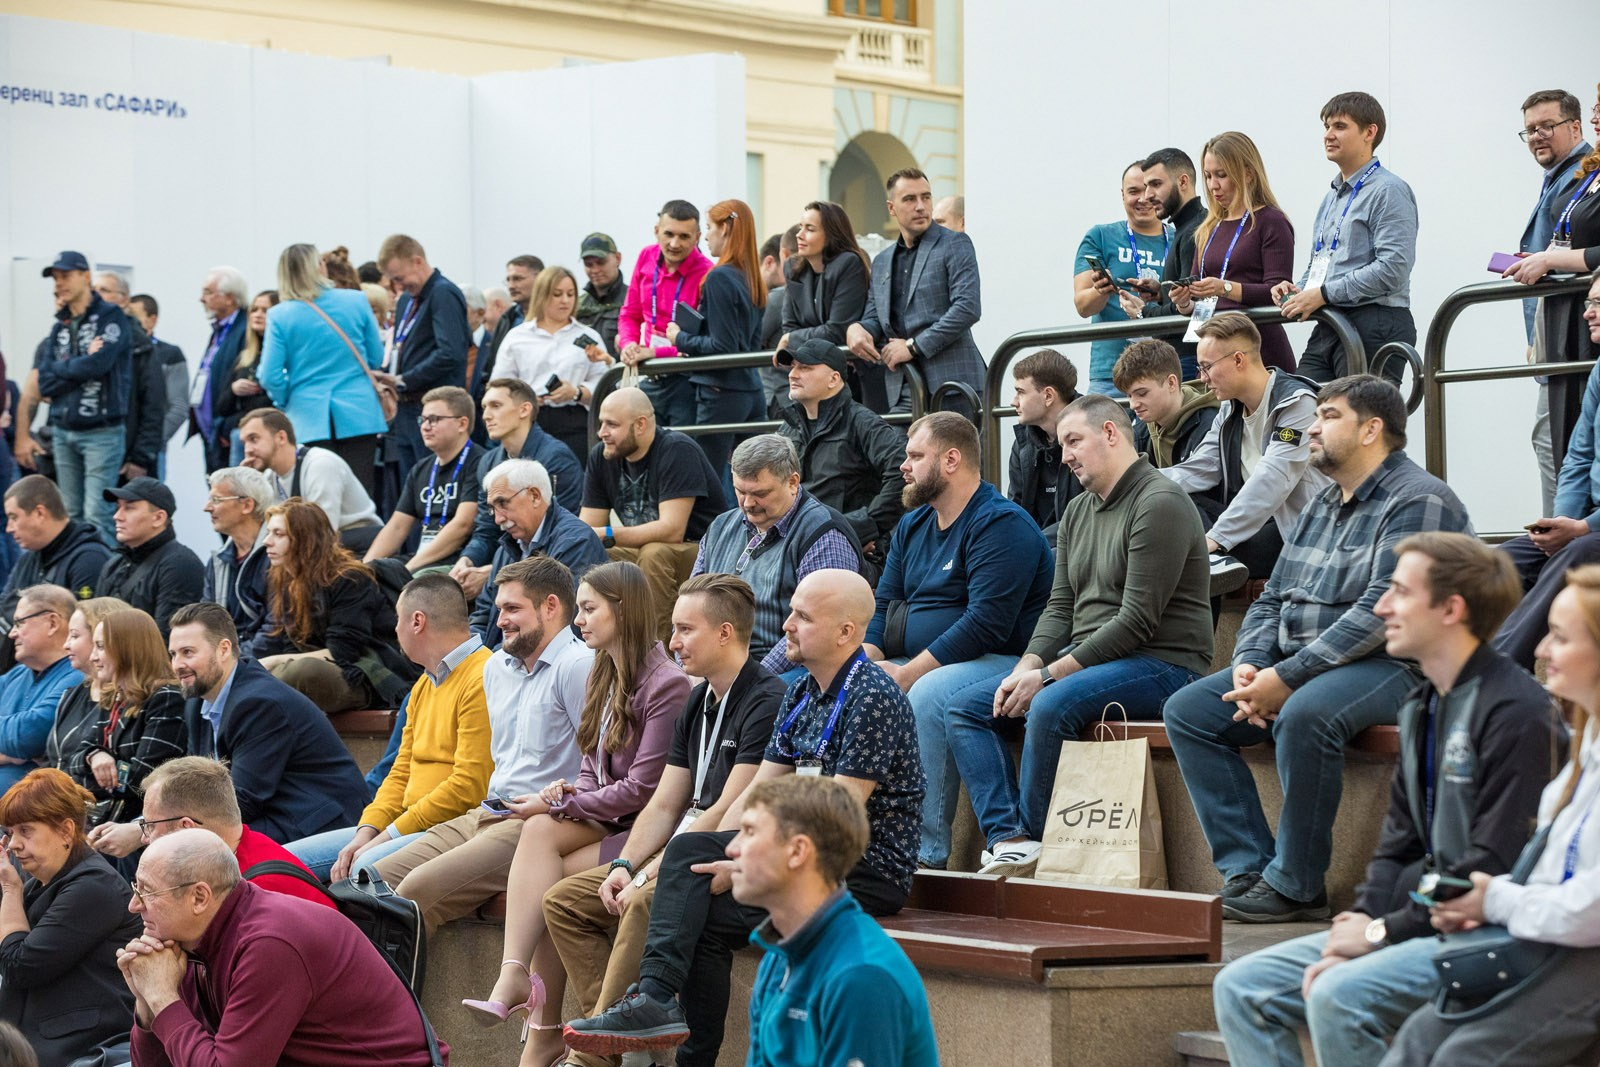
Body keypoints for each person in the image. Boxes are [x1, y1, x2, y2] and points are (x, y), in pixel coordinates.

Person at [1212, 532, 1559, 1067]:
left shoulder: (1518, 711)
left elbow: (1491, 863)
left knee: (1339, 997)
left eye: (1399, 591)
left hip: (1490, 933)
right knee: (1240, 987)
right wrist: (1357, 928)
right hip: (1423, 923)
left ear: (1451, 608)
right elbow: (1397, 845)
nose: (1380, 605)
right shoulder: (1423, 704)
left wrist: (1378, 933)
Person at [562, 569, 923, 1065]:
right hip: (798, 854)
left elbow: (841, 819)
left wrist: (745, 866)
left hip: (863, 865)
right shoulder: (799, 695)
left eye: (803, 616)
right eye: (791, 611)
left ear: (847, 631)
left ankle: (654, 1001)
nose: (787, 625)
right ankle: (669, 1018)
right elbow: (756, 794)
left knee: (691, 864)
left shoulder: (872, 696)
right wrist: (738, 850)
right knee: (700, 902)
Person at [1165, 375, 1472, 921]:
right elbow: (1272, 596)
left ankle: (1297, 886)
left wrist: (1287, 679)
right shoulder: (1323, 501)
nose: (1311, 426)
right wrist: (1249, 664)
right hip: (1294, 659)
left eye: (1328, 416)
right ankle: (1248, 869)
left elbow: (1382, 611)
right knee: (1188, 712)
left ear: (1372, 429)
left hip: (1393, 663)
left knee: (1304, 714)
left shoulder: (1421, 500)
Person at [941, 395, 1213, 873]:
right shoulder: (1077, 512)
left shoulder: (1161, 501)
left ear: (1111, 433)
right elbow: (1060, 606)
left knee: (1048, 703)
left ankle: (1041, 842)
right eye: (1062, 443)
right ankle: (1012, 838)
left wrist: (1047, 678)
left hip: (1166, 664)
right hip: (1095, 661)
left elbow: (1137, 622)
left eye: (1073, 441)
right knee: (965, 707)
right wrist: (1026, 667)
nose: (1064, 455)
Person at [543, 574, 783, 1067]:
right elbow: (666, 804)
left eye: (684, 630)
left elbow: (724, 812)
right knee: (563, 902)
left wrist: (649, 873)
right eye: (673, 629)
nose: (672, 642)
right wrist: (625, 863)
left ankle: (589, 1059)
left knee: (643, 904)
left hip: (716, 850)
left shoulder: (766, 698)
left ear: (725, 632)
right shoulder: (698, 700)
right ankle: (614, 1039)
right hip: (676, 847)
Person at [463, 562, 688, 1067]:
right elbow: (591, 762)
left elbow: (642, 790)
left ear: (623, 610)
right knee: (542, 835)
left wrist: (564, 801)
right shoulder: (604, 668)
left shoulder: (667, 684)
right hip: (608, 817)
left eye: (588, 609)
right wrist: (572, 793)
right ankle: (534, 993)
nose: (578, 620)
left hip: (642, 832)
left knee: (552, 875)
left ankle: (565, 1025)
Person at [1378, 564, 1600, 1067]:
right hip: (1537, 938)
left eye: (1560, 638)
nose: (1540, 651)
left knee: (1463, 1056)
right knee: (1416, 1040)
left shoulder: (1522, 718)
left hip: (1579, 955)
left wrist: (1493, 901)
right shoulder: (1584, 752)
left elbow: (1590, 909)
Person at [865, 411, 1052, 869]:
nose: (903, 467)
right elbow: (884, 602)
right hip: (921, 656)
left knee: (927, 691)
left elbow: (986, 623)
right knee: (847, 685)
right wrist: (866, 662)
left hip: (1005, 657)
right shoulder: (913, 524)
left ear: (951, 459)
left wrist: (907, 673)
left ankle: (922, 854)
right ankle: (855, 843)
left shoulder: (1000, 523)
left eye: (914, 456)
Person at [373, 556, 594, 933]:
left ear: (551, 607)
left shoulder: (578, 666)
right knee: (370, 878)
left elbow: (598, 765)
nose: (501, 620)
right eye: (499, 609)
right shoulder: (496, 668)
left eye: (512, 608)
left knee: (411, 892)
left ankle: (390, 994)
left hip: (539, 822)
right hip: (485, 813)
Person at [119, 829, 441, 1066]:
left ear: (199, 898)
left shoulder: (269, 943)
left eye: (146, 892)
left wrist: (164, 999)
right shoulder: (191, 938)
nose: (134, 905)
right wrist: (147, 1008)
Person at [285, 574, 491, 881]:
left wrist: (387, 836)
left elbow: (468, 786)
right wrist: (366, 831)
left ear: (417, 621)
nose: (395, 629)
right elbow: (399, 771)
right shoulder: (423, 684)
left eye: (398, 619)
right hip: (407, 823)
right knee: (280, 861)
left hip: (452, 827)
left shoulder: (483, 676)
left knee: (362, 869)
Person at [736, 775, 938, 1067]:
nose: (732, 848)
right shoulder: (779, 955)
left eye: (749, 832)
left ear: (797, 851)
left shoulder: (861, 975)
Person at [168, 602, 368, 844]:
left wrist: (165, 828)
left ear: (223, 650)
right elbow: (194, 783)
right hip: (272, 815)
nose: (178, 664)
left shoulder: (259, 703)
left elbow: (239, 803)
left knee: (187, 848)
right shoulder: (197, 702)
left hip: (319, 827)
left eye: (188, 652)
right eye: (173, 654)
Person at [1161, 313, 1330, 579]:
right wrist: (1138, 480)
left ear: (1238, 359)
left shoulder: (1297, 404)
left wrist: (1215, 539)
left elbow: (1272, 479)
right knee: (1177, 500)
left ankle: (1213, 566)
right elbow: (1201, 467)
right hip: (1250, 525)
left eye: (1206, 367)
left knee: (1193, 562)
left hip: (1294, 534)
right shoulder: (1230, 407)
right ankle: (1214, 567)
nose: (1202, 378)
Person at [1272, 92, 1419, 382]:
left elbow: (1393, 269)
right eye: (1326, 126)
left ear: (1369, 132)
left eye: (1339, 126)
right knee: (1295, 415)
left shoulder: (1390, 190)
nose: (1328, 135)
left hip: (1375, 322)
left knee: (1354, 421)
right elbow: (1322, 264)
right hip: (1332, 322)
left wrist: (1323, 294)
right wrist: (1298, 290)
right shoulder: (1331, 198)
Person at [1493, 274, 1600, 669]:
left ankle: (1494, 677)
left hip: (1594, 534)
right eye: (1589, 301)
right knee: (1499, 563)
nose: (1587, 312)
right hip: (1587, 524)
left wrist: (1584, 529)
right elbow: (1578, 455)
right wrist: (1565, 520)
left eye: (1598, 304)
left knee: (1579, 551)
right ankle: (1435, 670)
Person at [0, 768, 140, 1066]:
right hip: (35, 1036)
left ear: (65, 831)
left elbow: (19, 966)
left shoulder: (94, 886)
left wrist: (10, 890)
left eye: (26, 831)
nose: (13, 844)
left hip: (78, 1047)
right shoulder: (43, 879)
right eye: (10, 833)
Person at [692, 435, 863, 678]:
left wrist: (751, 681)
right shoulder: (720, 527)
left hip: (790, 669)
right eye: (740, 491)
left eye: (760, 493)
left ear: (793, 482)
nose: (748, 503)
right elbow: (691, 605)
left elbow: (816, 628)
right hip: (717, 664)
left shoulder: (823, 534)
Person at [1146, 132, 1301, 373]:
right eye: (1208, 176)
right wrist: (1185, 302)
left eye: (1221, 175)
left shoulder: (1271, 221)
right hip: (1214, 353)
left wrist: (1224, 288)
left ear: (1248, 174)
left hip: (1258, 351)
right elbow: (1199, 292)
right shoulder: (1209, 225)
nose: (1212, 185)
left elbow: (1279, 292)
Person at [581, 387, 726, 640]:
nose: (601, 432)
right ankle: (598, 645)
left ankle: (657, 653)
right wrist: (594, 539)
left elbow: (672, 530)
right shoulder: (602, 456)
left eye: (611, 424)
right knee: (591, 553)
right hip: (646, 549)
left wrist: (606, 533)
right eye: (601, 423)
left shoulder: (676, 449)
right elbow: (587, 529)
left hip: (701, 552)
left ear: (640, 424)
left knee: (654, 554)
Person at [250, 498, 417, 713]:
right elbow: (291, 645)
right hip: (328, 667)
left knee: (297, 672)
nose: (267, 541)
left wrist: (273, 661)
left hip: (363, 673)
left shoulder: (350, 578)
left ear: (305, 540)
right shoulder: (288, 582)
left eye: (278, 534)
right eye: (268, 532)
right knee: (247, 678)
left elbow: (344, 652)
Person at [1507, 88, 1600, 477]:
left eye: (1548, 126)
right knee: (1559, 445)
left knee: (1563, 445)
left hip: (1579, 323)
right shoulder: (1569, 174)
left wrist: (1549, 259)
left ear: (1574, 126)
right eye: (1530, 129)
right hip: (1558, 325)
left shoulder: (1580, 173)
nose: (1538, 136)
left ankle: (1568, 534)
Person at [847, 168, 985, 415]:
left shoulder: (955, 244)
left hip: (953, 385)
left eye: (926, 197)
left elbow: (967, 308)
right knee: (898, 453)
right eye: (910, 199)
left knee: (956, 455)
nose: (920, 206)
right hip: (902, 388)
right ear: (892, 208)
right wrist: (857, 328)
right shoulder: (882, 261)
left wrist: (912, 347)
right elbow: (875, 317)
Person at [258, 243, 390, 495]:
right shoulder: (356, 300)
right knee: (360, 494)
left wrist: (286, 400)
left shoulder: (280, 314)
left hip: (307, 415)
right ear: (318, 267)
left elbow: (269, 375)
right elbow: (375, 357)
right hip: (359, 412)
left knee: (315, 495)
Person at [135, 756, 336, 909]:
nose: (145, 838)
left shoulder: (255, 890)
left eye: (150, 826)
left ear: (185, 828)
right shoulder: (238, 856)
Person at [452, 377, 584, 602]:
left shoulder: (556, 458)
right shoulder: (488, 462)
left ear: (524, 409)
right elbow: (486, 529)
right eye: (484, 407)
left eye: (495, 405)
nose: (485, 415)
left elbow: (560, 533)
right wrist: (467, 561)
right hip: (506, 560)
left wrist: (493, 573)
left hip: (551, 575)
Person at [33, 251, 132, 544]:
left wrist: (64, 368)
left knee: (97, 515)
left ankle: (103, 587)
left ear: (85, 276)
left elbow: (99, 364)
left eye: (65, 276)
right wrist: (79, 364)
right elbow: (46, 381)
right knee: (70, 515)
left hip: (102, 432)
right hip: (64, 432)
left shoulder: (110, 317)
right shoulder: (59, 325)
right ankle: (77, 586)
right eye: (55, 278)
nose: (58, 284)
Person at [664, 198, 768, 473]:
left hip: (720, 390)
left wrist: (679, 337)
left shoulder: (720, 276)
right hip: (750, 389)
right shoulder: (750, 276)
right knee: (757, 475)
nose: (706, 236)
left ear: (724, 229)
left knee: (704, 476)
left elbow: (722, 346)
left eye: (709, 227)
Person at [75, 608, 187, 862]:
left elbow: (141, 781)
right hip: (108, 820)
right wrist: (96, 756)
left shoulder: (166, 698)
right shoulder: (113, 696)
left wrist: (108, 765)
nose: (93, 657)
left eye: (101, 647)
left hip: (142, 834)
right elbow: (76, 758)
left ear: (129, 648)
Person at [776, 338, 905, 557]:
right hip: (794, 547)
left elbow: (902, 471)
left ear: (834, 379)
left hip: (851, 554)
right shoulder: (788, 428)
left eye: (805, 367)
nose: (793, 374)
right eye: (793, 367)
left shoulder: (863, 422)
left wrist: (862, 527)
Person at [467, 458, 606, 649]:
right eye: (492, 508)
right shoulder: (506, 549)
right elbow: (482, 616)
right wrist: (469, 658)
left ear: (534, 496)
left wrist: (493, 662)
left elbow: (557, 628)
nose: (498, 519)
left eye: (503, 503)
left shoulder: (575, 543)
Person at [1072, 163, 1173, 396]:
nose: (1142, 198)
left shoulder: (1180, 237)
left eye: (1148, 189)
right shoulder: (1100, 236)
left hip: (1168, 369)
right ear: (1122, 194)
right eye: (1133, 191)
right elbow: (1083, 306)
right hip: (1112, 374)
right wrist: (1101, 290)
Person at [492, 266, 609, 465]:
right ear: (542, 295)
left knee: (575, 475)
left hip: (575, 420)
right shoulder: (517, 337)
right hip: (529, 419)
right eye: (557, 294)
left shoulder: (589, 336)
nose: (565, 300)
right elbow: (499, 384)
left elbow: (603, 382)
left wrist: (576, 392)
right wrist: (525, 397)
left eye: (571, 294)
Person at [375, 233, 470, 478]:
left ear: (418, 262)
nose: (399, 286)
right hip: (407, 408)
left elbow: (450, 353)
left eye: (401, 278)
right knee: (414, 483)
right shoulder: (407, 299)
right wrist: (390, 376)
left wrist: (405, 378)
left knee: (434, 481)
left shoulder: (444, 293)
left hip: (435, 408)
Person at [617, 201, 715, 428]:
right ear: (656, 231)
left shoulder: (708, 273)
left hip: (685, 381)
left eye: (684, 236)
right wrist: (628, 343)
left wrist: (654, 352)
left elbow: (701, 342)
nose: (674, 243)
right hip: (647, 375)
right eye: (668, 234)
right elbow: (629, 314)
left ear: (697, 237)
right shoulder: (645, 256)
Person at [363, 386, 481, 574]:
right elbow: (396, 527)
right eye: (423, 419)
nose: (425, 426)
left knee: (410, 582)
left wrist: (407, 570)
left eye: (434, 420)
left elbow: (462, 526)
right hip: (421, 558)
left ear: (462, 424)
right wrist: (365, 569)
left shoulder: (479, 463)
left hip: (456, 562)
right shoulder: (421, 469)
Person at [237, 407, 383, 551]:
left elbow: (323, 533)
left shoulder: (320, 464)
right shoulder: (270, 476)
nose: (247, 450)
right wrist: (249, 486)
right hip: (314, 545)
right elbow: (260, 533)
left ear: (281, 437)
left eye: (254, 439)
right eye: (244, 443)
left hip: (358, 545)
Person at [0, 474, 110, 632]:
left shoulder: (89, 559)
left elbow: (86, 630)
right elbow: (4, 609)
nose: (9, 528)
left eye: (14, 517)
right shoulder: (30, 557)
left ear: (40, 513)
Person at [97, 478, 205, 638]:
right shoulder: (113, 565)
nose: (117, 516)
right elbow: (93, 626)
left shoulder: (181, 564)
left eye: (129, 508)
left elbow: (166, 642)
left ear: (158, 518)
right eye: (118, 507)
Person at [0, 585, 83, 792]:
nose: (12, 634)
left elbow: (26, 736)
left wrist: (19, 749)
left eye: (19, 623)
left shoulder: (78, 675)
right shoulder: (18, 674)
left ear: (52, 622)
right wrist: (9, 754)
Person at [778, 201, 870, 387]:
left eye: (810, 229)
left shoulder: (848, 264)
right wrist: (792, 336)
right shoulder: (793, 268)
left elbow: (837, 330)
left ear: (830, 236)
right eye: (801, 227)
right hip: (810, 377)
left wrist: (791, 339)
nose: (799, 234)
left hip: (848, 379)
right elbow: (789, 326)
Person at [46, 597, 130, 783]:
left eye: (74, 636)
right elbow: (52, 758)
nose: (65, 644)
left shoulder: (129, 698)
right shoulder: (73, 693)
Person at [1006, 348, 1084, 533]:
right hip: (1037, 548)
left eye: (1020, 392)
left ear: (1048, 396)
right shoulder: (1023, 443)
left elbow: (1091, 519)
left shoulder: (1091, 435)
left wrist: (1036, 545)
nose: (1013, 401)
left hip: (1076, 551)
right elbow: (1015, 510)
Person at [186, 267, 252, 474]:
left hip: (227, 430)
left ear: (230, 298)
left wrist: (227, 423)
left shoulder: (245, 330)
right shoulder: (219, 330)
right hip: (211, 431)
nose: (201, 299)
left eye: (208, 292)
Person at [1114, 338, 1219, 468]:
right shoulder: (1139, 435)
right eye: (1129, 396)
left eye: (1142, 394)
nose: (1133, 404)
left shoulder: (1212, 426)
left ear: (1171, 383)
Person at [200, 465, 272, 645]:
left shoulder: (277, 554)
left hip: (265, 662)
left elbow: (275, 632)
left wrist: (234, 664)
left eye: (216, 499)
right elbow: (207, 622)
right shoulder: (217, 561)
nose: (207, 508)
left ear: (247, 505)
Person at [474, 254, 546, 427]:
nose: (512, 285)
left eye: (518, 279)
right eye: (508, 280)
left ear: (540, 279)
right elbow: (492, 364)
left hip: (544, 409)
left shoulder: (552, 319)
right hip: (507, 410)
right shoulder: (508, 319)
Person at [125, 293, 191, 480]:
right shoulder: (120, 353)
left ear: (151, 320)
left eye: (134, 317)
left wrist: (152, 441)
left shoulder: (170, 354)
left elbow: (179, 407)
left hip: (151, 451)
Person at [212, 289, 278, 468]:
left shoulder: (283, 356)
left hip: (271, 436)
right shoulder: (245, 356)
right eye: (254, 309)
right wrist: (234, 390)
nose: (258, 315)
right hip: (241, 435)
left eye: (265, 310)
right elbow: (221, 406)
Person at [577, 233, 629, 361]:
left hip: (621, 376)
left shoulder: (633, 301)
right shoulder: (577, 305)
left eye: (601, 262)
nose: (595, 270)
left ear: (617, 258)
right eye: (588, 264)